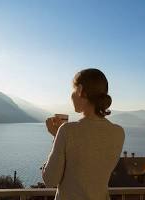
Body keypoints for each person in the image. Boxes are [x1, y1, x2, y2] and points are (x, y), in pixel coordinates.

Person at [41, 68, 125, 200]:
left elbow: (50, 180)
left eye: (73, 90)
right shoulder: (118, 132)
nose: (71, 95)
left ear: (80, 90)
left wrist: (56, 137)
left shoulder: (67, 130)